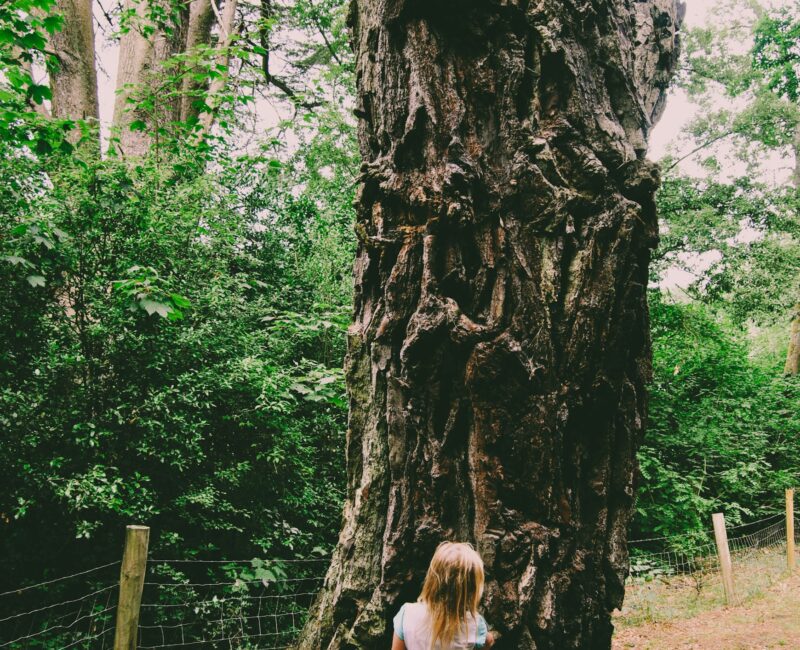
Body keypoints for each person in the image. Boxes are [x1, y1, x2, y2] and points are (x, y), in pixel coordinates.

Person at [391, 542, 496, 649]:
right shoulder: (475, 626)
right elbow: (488, 640)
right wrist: (490, 638)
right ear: (472, 590)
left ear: (432, 580)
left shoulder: (407, 614)